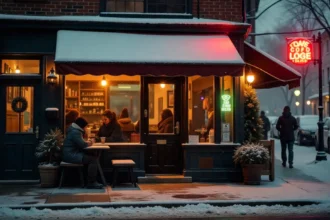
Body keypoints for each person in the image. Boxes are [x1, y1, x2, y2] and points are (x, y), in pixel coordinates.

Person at [62, 117, 103, 189]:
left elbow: (81, 143)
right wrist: (91, 142)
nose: (86, 128)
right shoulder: (76, 132)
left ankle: (90, 180)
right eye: (85, 126)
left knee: (92, 157)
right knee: (93, 159)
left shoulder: (73, 130)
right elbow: (83, 145)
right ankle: (91, 182)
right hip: (71, 155)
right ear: (82, 126)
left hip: (69, 154)